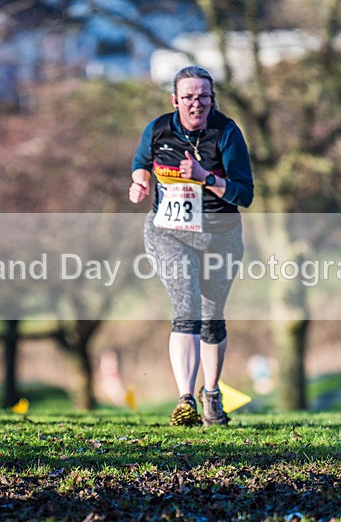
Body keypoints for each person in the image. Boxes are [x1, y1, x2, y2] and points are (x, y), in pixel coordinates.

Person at [129, 65, 254, 426]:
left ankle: (211, 395)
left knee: (212, 317)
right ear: (175, 100)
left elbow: (244, 194)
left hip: (220, 235)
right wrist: (138, 184)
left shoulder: (227, 133)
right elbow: (141, 164)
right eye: (188, 97)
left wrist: (206, 178)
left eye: (203, 97)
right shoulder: (157, 129)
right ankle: (185, 400)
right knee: (187, 306)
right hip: (169, 233)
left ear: (213, 100)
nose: (196, 103)